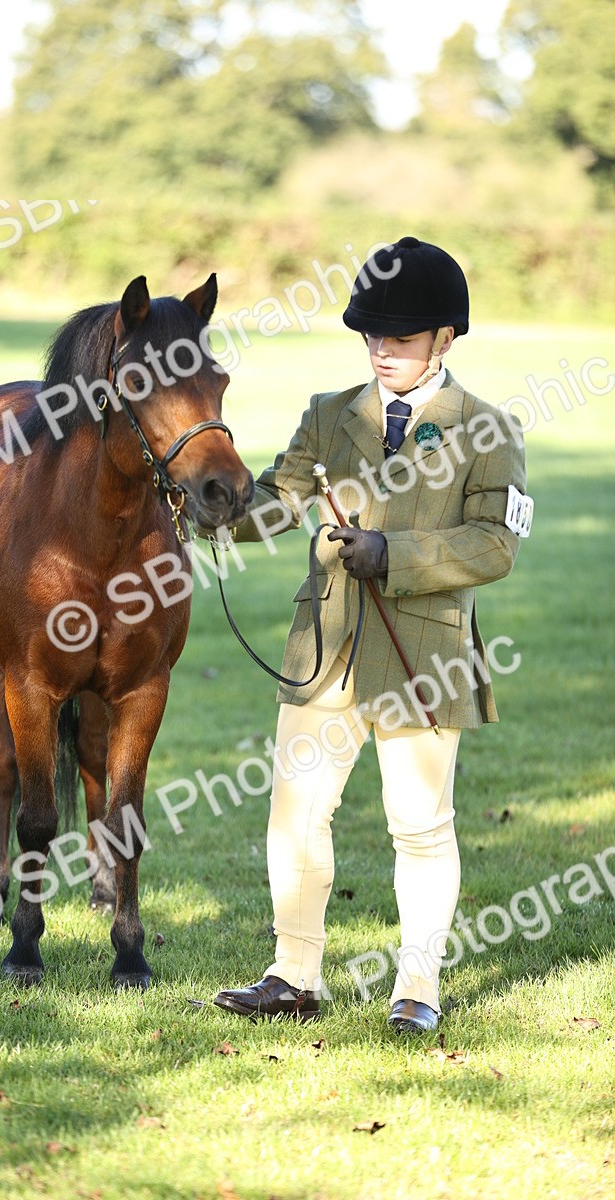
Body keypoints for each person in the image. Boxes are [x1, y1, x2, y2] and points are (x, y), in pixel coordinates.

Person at [213, 236, 532, 1033]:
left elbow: (496, 543)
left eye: (400, 339)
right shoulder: (329, 415)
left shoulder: (488, 430)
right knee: (294, 815)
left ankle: (417, 988)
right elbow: (278, 500)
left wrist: (395, 553)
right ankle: (293, 974)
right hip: (323, 651)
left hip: (425, 653)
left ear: (445, 340)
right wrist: (207, 510)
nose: (381, 352)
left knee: (419, 826)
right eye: (371, 337)